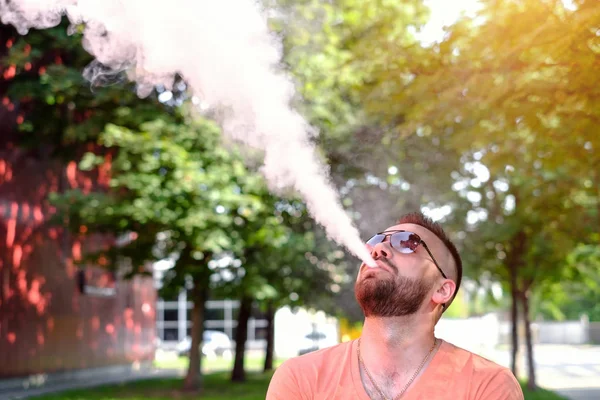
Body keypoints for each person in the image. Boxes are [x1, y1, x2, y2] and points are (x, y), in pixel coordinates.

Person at [266, 212, 524, 400]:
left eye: (407, 242)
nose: (379, 249)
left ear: (442, 290)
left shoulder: (487, 386)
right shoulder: (300, 379)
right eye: (377, 240)